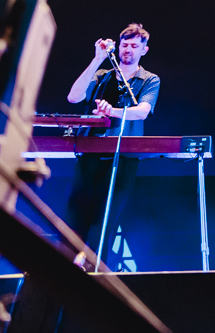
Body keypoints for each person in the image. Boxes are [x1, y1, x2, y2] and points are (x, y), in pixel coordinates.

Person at [64, 23, 160, 267]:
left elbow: (142, 111)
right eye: (124, 44)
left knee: (104, 221)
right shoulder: (101, 75)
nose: (128, 49)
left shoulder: (149, 79)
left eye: (134, 46)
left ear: (144, 50)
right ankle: (65, 269)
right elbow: (74, 97)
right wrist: (97, 59)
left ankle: (96, 273)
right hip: (90, 153)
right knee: (76, 217)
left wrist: (113, 111)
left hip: (124, 157)